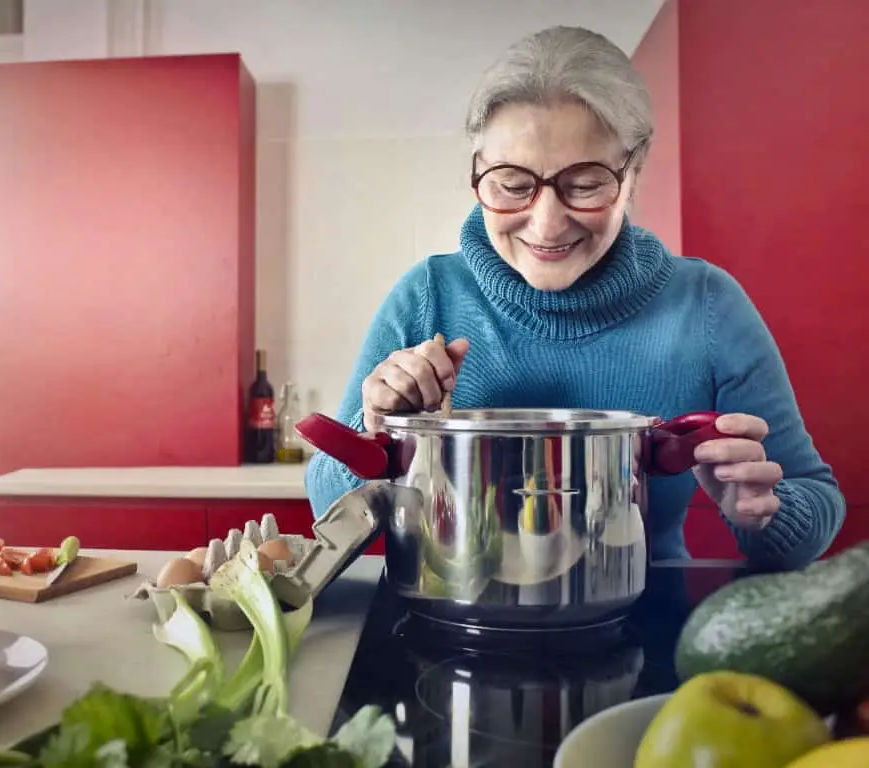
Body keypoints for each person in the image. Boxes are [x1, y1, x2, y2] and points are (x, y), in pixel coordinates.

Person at [304, 26, 845, 569]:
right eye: (513, 183)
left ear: (633, 172)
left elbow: (814, 503)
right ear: (477, 170)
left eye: (585, 184)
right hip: (444, 613)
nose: (546, 223)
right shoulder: (426, 297)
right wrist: (372, 432)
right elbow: (328, 507)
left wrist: (764, 511)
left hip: (642, 621)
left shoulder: (706, 305)